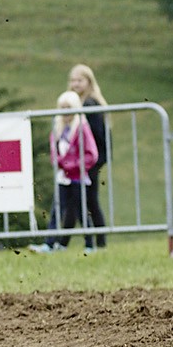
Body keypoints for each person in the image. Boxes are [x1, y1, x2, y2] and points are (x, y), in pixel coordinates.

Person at [49, 90, 100, 253]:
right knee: (57, 210)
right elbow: (54, 152)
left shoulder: (82, 128)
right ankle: (49, 243)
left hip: (78, 177)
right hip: (63, 177)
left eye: (69, 108)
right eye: (62, 108)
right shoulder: (57, 129)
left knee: (81, 212)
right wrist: (58, 162)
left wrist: (73, 164)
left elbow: (92, 154)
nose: (66, 113)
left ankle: (90, 244)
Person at [66, 64, 109, 246]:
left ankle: (63, 241)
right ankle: (96, 241)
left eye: (80, 80)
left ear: (89, 82)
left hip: (90, 160)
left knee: (84, 201)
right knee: (84, 201)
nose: (76, 84)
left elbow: (97, 136)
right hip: (85, 160)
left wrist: (94, 160)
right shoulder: (80, 104)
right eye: (73, 80)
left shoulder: (90, 105)